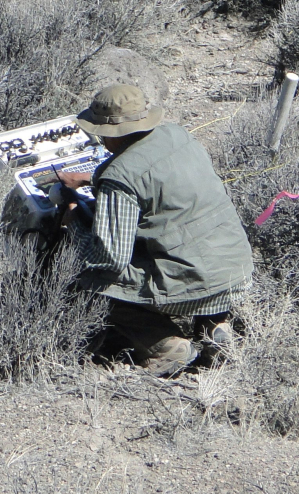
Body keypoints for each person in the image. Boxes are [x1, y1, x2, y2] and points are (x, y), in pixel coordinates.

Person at [59, 83, 254, 375]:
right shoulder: (177, 135)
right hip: (233, 268)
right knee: (188, 250)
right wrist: (91, 179)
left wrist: (73, 221)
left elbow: (110, 259)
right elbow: (151, 175)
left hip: (193, 278)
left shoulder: (119, 179)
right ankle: (215, 328)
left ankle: (164, 344)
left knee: (93, 277)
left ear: (110, 133)